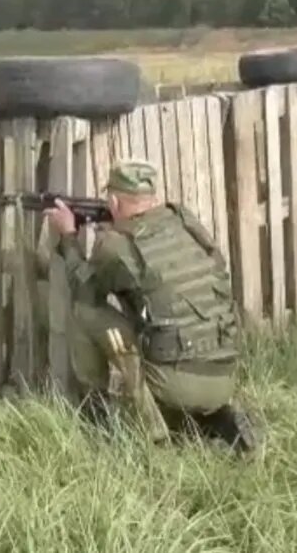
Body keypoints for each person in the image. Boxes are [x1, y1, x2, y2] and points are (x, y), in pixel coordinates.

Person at [41, 159, 259, 453]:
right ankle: (218, 417)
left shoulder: (116, 246)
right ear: (153, 197)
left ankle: (116, 420)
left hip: (176, 384)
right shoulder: (185, 221)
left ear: (114, 201)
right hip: (224, 373)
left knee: (85, 312)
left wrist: (68, 236)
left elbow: (86, 290)